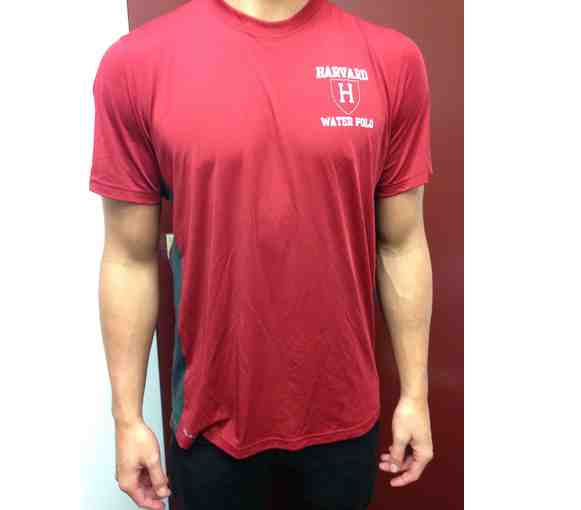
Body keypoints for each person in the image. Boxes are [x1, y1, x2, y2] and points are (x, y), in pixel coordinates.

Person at [89, 0, 435, 508]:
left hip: (343, 423)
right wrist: (127, 419)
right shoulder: (138, 64)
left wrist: (415, 395)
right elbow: (128, 257)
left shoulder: (391, 60)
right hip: (211, 428)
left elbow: (402, 243)